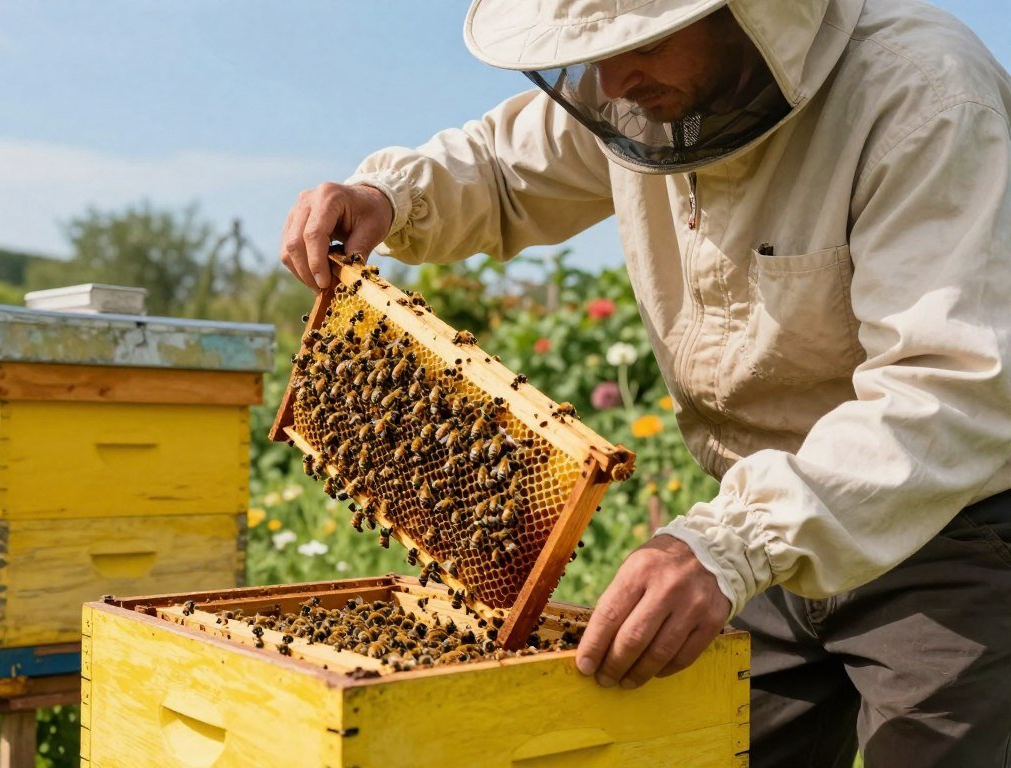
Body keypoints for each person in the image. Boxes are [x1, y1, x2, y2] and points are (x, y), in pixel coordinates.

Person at [279, 0, 1011, 765]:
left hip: (941, 534)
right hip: (751, 534)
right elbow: (502, 166)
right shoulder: (640, 90)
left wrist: (727, 548)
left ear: (752, 16)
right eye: (594, 50)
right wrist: (390, 197)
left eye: (644, 43)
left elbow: (947, 383)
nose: (613, 79)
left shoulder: (925, 94)